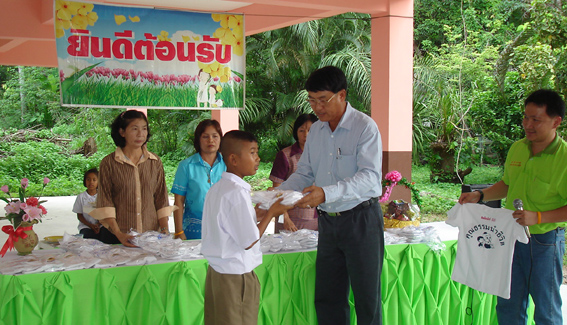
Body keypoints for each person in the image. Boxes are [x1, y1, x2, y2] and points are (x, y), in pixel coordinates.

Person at [277, 66, 384, 324]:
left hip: (361, 221)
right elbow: (305, 173)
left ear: (342, 95)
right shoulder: (316, 131)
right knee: (328, 297)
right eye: (312, 100)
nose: (317, 107)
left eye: (323, 100)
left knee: (367, 299)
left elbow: (370, 177)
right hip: (328, 223)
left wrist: (326, 193)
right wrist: (276, 196)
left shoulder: (365, 127)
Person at [459, 89, 567, 324]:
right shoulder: (518, 148)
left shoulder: (563, 158)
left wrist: (537, 217)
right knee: (508, 303)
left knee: (546, 309)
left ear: (556, 122)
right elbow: (508, 183)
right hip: (509, 237)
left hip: (545, 240)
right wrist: (480, 195)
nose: (528, 124)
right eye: (526, 117)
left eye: (536, 119)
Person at [201, 130, 293, 325]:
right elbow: (249, 240)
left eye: (257, 152)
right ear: (233, 159)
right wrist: (271, 213)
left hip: (217, 274)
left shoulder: (218, 188)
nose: (258, 158)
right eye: (252, 152)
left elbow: (231, 224)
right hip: (236, 277)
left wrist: (258, 212)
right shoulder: (236, 193)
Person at [90, 110, 175, 247]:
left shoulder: (155, 162)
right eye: (134, 129)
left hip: (151, 237)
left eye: (144, 129)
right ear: (122, 132)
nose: (140, 134)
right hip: (118, 237)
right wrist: (119, 234)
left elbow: (161, 198)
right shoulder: (109, 163)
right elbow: (105, 201)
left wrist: (164, 229)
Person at [171, 119, 226, 240]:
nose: (210, 140)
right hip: (193, 232)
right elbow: (179, 201)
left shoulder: (229, 165)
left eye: (215, 136)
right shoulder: (186, 166)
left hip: (224, 231)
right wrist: (178, 232)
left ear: (221, 139)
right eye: (205, 136)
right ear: (198, 140)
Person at [270, 113, 319, 232]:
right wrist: (285, 218)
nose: (306, 135)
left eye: (310, 130)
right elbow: (277, 190)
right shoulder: (285, 155)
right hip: (291, 219)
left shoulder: (322, 154)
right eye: (301, 130)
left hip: (316, 217)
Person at [73, 168, 114, 242]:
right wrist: (90, 225)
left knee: (107, 236)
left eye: (94, 180)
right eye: (88, 179)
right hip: (86, 226)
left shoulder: (103, 196)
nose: (91, 182)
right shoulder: (81, 197)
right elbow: (79, 215)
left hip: (101, 225)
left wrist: (98, 224)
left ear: (99, 182)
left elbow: (107, 213)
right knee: (88, 237)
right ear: (85, 181)